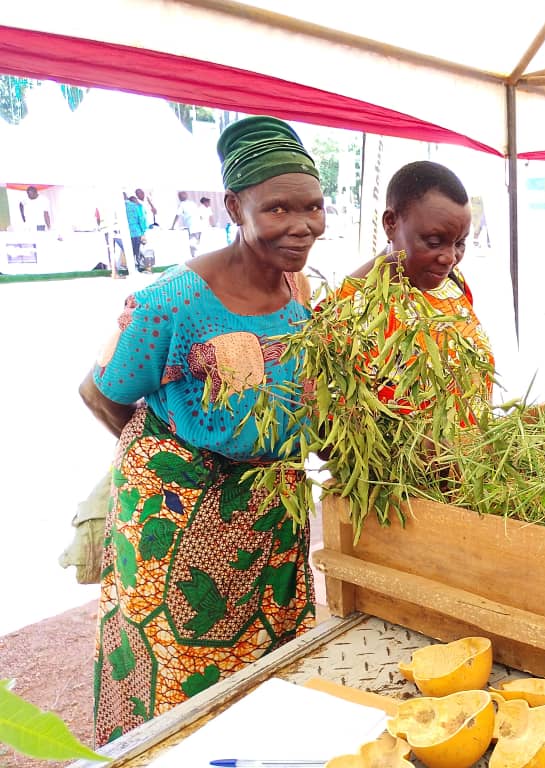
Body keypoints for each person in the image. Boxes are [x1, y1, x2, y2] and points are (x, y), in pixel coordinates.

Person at [80, 115, 325, 745]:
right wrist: (178, 459)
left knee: (269, 666)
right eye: (278, 209)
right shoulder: (175, 302)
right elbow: (99, 392)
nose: (301, 226)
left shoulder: (297, 287)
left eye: (313, 208)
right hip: (177, 514)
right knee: (178, 673)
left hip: (268, 511)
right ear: (233, 207)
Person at [339, 161, 494, 405]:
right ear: (391, 223)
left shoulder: (453, 285)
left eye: (460, 243)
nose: (450, 258)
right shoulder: (348, 311)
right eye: (434, 242)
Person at [124, 192, 149, 272]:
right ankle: (139, 267)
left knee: (130, 252)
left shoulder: (122, 207)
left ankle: (131, 268)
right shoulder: (136, 206)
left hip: (127, 232)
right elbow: (141, 219)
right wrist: (143, 231)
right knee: (137, 251)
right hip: (137, 231)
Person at [172, 191, 202, 257]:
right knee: (196, 243)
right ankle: (197, 258)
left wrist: (173, 226)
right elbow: (199, 214)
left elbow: (177, 215)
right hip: (198, 224)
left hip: (192, 225)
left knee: (192, 244)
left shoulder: (182, 204)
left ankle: (195, 259)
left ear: (179, 197)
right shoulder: (192, 203)